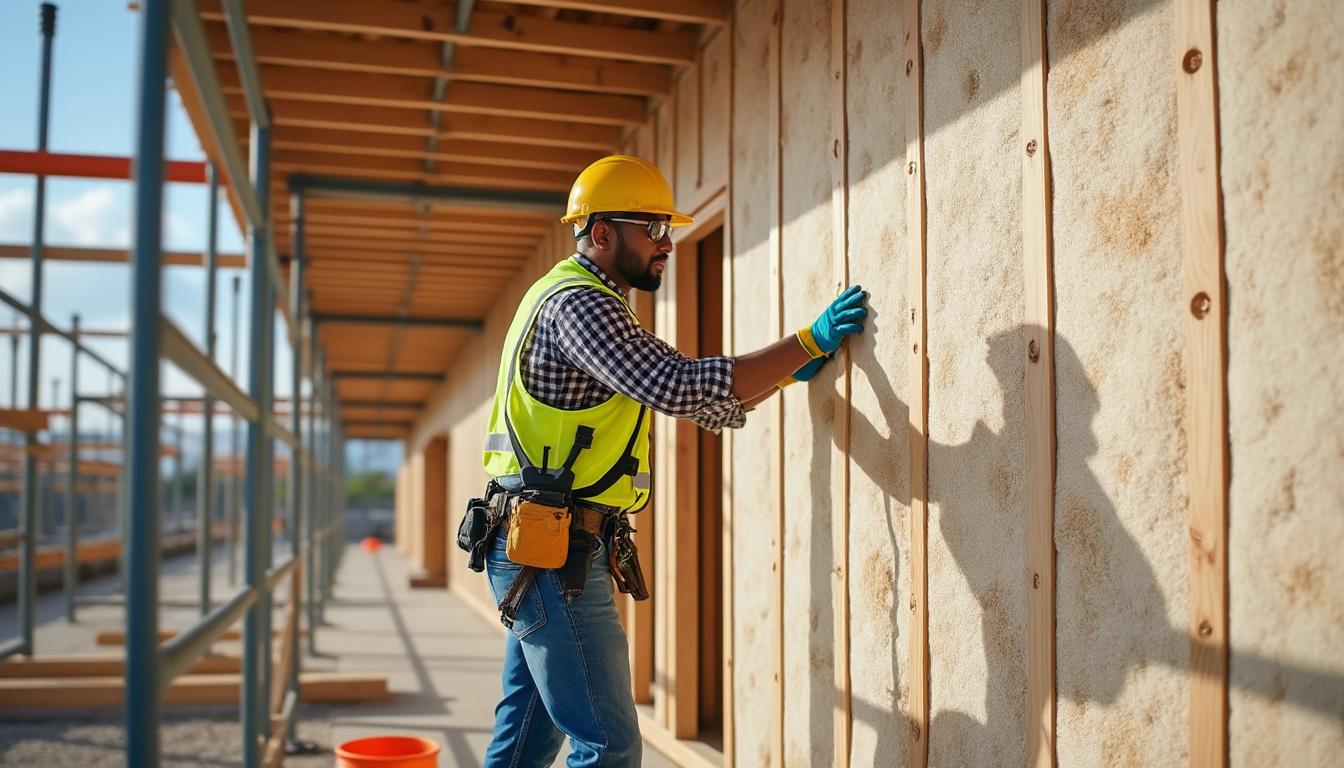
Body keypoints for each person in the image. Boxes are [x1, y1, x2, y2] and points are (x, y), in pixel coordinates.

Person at [477, 154, 868, 767]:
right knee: (608, 747)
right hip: (553, 555)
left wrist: (787, 374)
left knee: (527, 736)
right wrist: (804, 343)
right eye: (651, 229)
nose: (666, 244)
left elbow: (695, 398)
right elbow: (681, 385)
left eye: (669, 230)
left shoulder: (576, 298)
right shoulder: (581, 307)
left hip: (541, 546)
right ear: (600, 233)